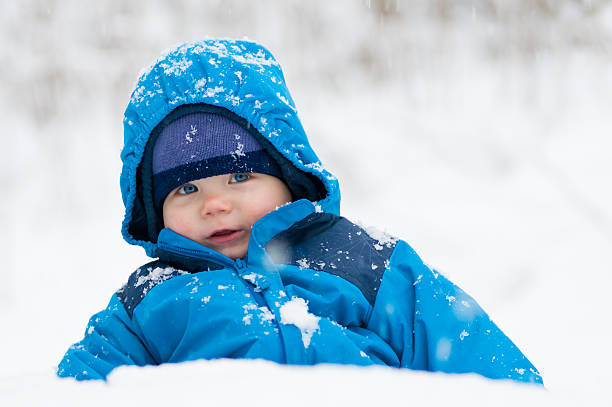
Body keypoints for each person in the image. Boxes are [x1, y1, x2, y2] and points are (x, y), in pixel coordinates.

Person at [57, 38, 543, 385]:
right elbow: (75, 391)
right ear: (155, 208)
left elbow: (484, 367)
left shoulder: (364, 262)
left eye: (240, 177)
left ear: (287, 177)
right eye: (185, 188)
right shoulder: (147, 302)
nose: (215, 203)